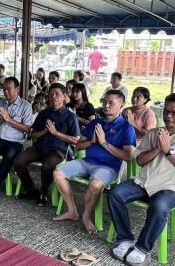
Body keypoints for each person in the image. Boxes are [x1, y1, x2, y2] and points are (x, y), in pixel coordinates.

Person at [108, 93, 175, 266]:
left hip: (171, 187)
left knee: (159, 205)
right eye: (166, 111)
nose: (168, 116)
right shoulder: (153, 134)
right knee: (115, 193)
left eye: (174, 113)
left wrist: (169, 150)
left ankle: (142, 248)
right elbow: (139, 160)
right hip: (144, 182)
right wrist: (158, 149)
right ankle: (125, 238)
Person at [53, 90, 136, 231]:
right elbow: (78, 146)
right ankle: (72, 210)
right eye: (104, 102)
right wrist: (92, 141)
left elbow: (128, 156)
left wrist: (104, 142)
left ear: (121, 106)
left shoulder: (126, 128)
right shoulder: (95, 122)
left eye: (111, 103)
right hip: (87, 161)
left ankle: (86, 216)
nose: (106, 105)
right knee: (58, 173)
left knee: (96, 185)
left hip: (108, 167)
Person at [14, 84, 81, 207]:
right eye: (51, 94)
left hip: (57, 151)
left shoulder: (71, 116)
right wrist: (44, 131)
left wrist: (56, 133)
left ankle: (43, 193)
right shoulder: (44, 113)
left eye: (57, 94)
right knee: (18, 161)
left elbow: (76, 140)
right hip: (39, 147)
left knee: (47, 166)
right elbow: (33, 135)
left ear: (64, 96)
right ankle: (30, 189)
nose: (54, 97)